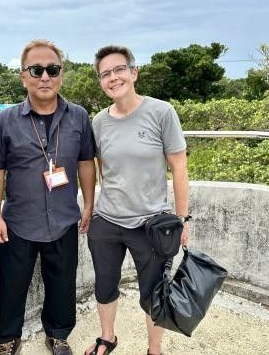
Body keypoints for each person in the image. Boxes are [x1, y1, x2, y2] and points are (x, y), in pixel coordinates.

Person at [0, 39, 96, 355]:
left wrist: (88, 204)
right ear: (23, 76)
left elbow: (86, 162)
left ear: (61, 74)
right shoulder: (6, 120)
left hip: (63, 217)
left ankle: (58, 335)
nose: (44, 77)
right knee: (12, 285)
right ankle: (7, 339)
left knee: (62, 284)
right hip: (19, 220)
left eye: (52, 69)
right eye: (36, 70)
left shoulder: (79, 117)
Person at [84, 45, 190, 355]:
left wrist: (183, 219)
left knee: (153, 293)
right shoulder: (99, 121)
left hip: (151, 225)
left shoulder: (161, 112)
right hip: (107, 222)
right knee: (104, 285)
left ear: (133, 73)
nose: (112, 77)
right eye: (105, 74)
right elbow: (103, 168)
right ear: (101, 81)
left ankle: (154, 350)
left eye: (119, 70)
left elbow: (179, 168)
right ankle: (107, 337)